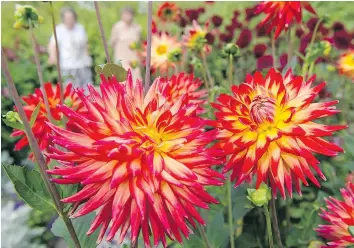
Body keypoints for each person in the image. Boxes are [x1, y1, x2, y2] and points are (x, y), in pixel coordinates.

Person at [47, 7, 92, 89]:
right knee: (71, 89)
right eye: (67, 18)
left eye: (71, 18)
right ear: (63, 19)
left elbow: (85, 44)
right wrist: (52, 56)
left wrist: (87, 57)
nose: (69, 20)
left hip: (82, 64)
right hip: (67, 65)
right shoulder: (59, 29)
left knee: (86, 87)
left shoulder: (80, 28)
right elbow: (52, 45)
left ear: (75, 18)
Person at [110, 6, 142, 80]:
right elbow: (112, 43)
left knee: (135, 78)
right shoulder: (117, 27)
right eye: (125, 14)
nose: (127, 16)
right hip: (121, 57)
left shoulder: (137, 27)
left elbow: (139, 44)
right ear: (121, 15)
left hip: (134, 58)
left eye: (129, 14)